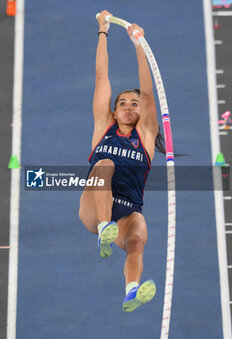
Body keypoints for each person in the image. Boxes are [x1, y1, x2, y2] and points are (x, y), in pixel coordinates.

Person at [79, 10, 164, 312]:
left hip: (127, 209)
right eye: (122, 103)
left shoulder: (145, 135)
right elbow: (102, 76)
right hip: (94, 207)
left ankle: (131, 291)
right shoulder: (103, 127)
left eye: (134, 104)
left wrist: (138, 44)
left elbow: (149, 91)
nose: (128, 107)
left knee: (138, 237)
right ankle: (103, 230)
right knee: (105, 165)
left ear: (142, 113)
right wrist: (104, 31)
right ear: (113, 112)